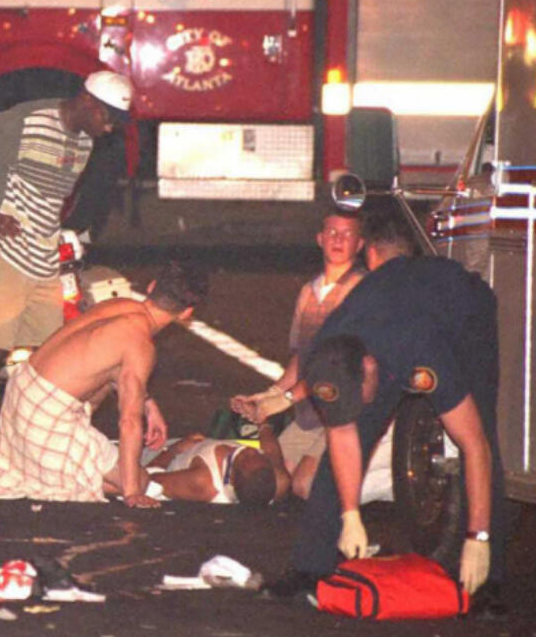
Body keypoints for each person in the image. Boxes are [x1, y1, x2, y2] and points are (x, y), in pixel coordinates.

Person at [265, 217, 509, 612]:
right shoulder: (327, 349)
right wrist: (349, 515)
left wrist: (477, 538)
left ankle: (487, 581)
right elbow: (344, 433)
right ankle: (310, 567)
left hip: (463, 318)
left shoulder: (422, 354)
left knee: (480, 433)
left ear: (370, 367)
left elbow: (474, 445)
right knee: (350, 435)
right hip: (387, 326)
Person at [0, 71, 132, 478]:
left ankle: (33, 446)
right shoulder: (30, 119)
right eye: (109, 119)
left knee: (49, 354)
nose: (110, 129)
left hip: (40, 254)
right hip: (2, 248)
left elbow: (51, 199)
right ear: (89, 103)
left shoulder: (85, 142)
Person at [0, 262, 208, 504]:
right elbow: (129, 421)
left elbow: (97, 358)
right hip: (45, 416)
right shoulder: (140, 345)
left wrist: (149, 405)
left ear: (151, 287)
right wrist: (133, 492)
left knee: (106, 385)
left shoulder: (120, 305)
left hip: (21, 389)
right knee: (140, 480)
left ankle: (58, 467)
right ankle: (74, 473)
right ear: (186, 313)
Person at [229, 210, 393, 501]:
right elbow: (301, 359)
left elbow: (338, 366)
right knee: (274, 482)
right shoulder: (308, 291)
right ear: (319, 239)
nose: (338, 240)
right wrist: (268, 395)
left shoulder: (362, 290)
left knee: (305, 486)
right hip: (309, 414)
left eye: (347, 234)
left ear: (359, 245)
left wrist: (285, 400)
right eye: (331, 232)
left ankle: (382, 481)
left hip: (342, 412)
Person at [143, 423, 289, 505]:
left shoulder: (202, 482)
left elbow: (145, 481)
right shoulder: (279, 481)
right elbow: (272, 452)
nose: (250, 449)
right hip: (199, 445)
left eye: (244, 456)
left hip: (160, 458)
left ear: (231, 477)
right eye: (258, 453)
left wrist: (174, 450)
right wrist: (262, 421)